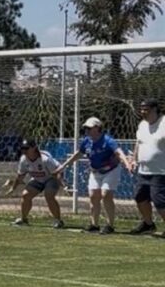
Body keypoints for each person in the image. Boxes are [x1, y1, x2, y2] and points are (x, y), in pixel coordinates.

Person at [54, 117, 129, 234]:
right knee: (93, 195)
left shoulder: (107, 140)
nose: (87, 130)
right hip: (95, 171)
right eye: (86, 128)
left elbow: (119, 152)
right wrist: (64, 165)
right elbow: (79, 154)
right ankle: (94, 224)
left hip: (111, 170)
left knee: (106, 194)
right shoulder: (86, 141)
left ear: (97, 128)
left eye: (89, 128)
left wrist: (127, 163)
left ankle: (110, 225)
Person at [4, 139, 65, 228]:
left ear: (34, 148)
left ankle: (58, 220)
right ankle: (24, 219)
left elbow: (57, 173)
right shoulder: (23, 159)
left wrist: (63, 185)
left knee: (49, 195)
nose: (24, 151)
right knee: (25, 195)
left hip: (51, 177)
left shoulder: (45, 159)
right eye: (22, 148)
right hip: (37, 179)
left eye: (26, 148)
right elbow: (20, 176)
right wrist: (12, 188)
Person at [127, 99, 165, 235]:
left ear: (155, 109)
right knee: (140, 197)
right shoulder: (142, 125)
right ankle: (148, 224)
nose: (143, 112)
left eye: (146, 109)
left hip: (161, 171)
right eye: (141, 109)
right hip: (144, 171)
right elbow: (139, 143)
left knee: (159, 201)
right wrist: (133, 159)